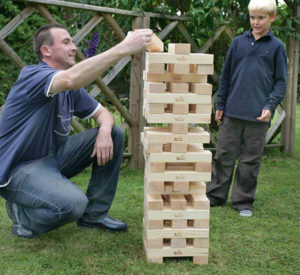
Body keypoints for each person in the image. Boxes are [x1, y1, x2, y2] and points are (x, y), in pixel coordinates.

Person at [0, 23, 153, 238]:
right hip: (20, 167)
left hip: (52, 159)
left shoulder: (70, 88)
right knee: (73, 204)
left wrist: (104, 131)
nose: (74, 46)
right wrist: (124, 47)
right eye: (66, 42)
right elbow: (72, 79)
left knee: (114, 134)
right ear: (46, 50)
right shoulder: (33, 76)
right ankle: (22, 215)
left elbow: (104, 114)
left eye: (72, 41)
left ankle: (95, 215)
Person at [206, 0, 287, 217]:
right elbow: (226, 76)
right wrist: (220, 104)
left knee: (250, 159)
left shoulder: (277, 47)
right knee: (223, 154)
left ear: (272, 18)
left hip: (258, 115)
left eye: (261, 18)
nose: (256, 22)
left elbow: (280, 83)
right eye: (252, 17)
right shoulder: (238, 43)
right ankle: (215, 195)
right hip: (232, 110)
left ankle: (243, 201)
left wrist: (270, 107)